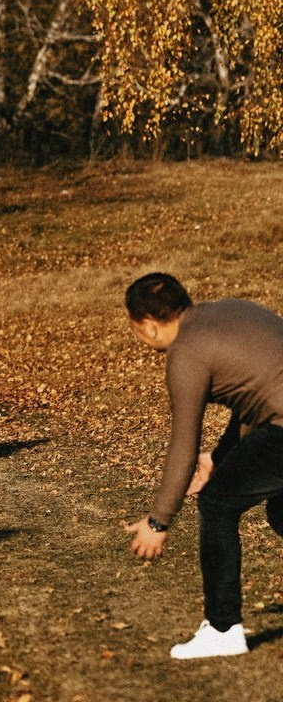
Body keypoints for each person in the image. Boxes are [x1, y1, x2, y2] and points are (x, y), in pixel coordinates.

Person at [124, 271, 283, 660]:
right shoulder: (229, 311)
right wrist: (218, 458)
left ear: (148, 324)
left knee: (216, 504)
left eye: (135, 330)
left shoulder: (187, 351)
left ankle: (223, 628)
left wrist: (159, 520)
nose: (138, 338)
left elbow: (183, 441)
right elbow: (255, 400)